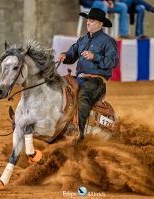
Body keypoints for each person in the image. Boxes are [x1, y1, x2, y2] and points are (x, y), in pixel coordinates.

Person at [59, 8, 118, 139]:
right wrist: (65, 56)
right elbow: (71, 55)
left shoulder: (108, 41)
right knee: (58, 85)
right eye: (88, 20)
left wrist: (94, 57)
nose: (88, 22)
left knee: (83, 96)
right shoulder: (82, 40)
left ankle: (80, 135)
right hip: (79, 78)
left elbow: (113, 62)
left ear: (100, 24)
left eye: (92, 20)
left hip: (96, 81)